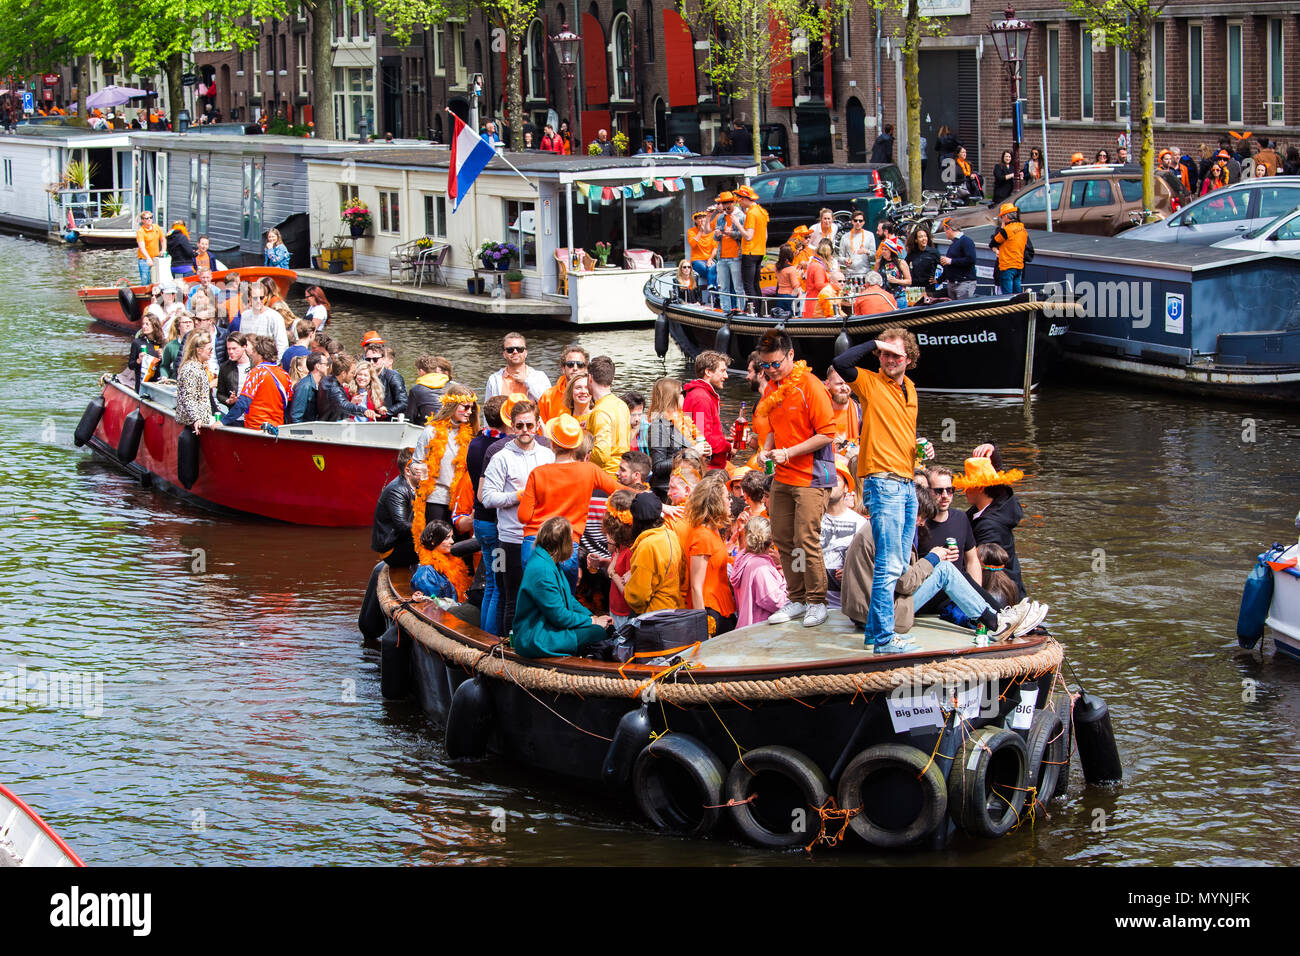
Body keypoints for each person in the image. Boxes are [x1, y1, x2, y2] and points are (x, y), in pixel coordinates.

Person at [831, 328, 927, 654]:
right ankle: (885, 639)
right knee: (887, 564)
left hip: (906, 482)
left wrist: (918, 451)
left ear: (909, 360)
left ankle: (875, 633)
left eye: (895, 354)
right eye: (884, 353)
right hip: (882, 482)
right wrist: (875, 343)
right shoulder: (870, 383)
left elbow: (903, 432)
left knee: (898, 563)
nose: (888, 359)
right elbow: (841, 361)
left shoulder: (911, 389)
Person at [840, 487, 1042, 639]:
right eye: (921, 518)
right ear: (912, 511)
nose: (921, 523)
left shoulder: (880, 524)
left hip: (865, 612)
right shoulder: (890, 533)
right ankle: (997, 623)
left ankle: (997, 616)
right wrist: (933, 558)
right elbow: (905, 583)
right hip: (879, 616)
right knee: (945, 570)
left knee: (946, 570)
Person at [753, 329, 838, 629]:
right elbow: (774, 427)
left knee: (806, 538)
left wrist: (789, 453)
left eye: (776, 364)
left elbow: (828, 433)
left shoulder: (810, 385)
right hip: (783, 476)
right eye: (766, 365)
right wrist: (766, 449)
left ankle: (817, 601)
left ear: (791, 355)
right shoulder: (772, 389)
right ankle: (797, 598)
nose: (771, 370)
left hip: (812, 477)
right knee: (783, 538)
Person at [479, 400, 555, 637]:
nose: (525, 430)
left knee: (537, 595)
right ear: (512, 426)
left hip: (540, 539)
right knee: (507, 595)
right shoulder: (501, 457)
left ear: (537, 426)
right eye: (520, 425)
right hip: (509, 539)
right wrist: (518, 496)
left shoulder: (548, 455)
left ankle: (533, 641)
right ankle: (504, 645)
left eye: (529, 425)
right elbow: (487, 498)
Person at [518, 415, 620, 579]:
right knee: (564, 600)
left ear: (552, 444)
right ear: (577, 446)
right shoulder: (590, 470)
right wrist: (659, 504)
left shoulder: (537, 473)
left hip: (534, 542)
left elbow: (523, 517)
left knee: (535, 599)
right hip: (567, 543)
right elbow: (621, 491)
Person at [512, 517, 612, 658]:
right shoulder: (543, 571)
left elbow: (569, 599)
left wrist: (592, 616)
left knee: (602, 629)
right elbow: (559, 617)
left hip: (547, 629)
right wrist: (593, 622)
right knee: (597, 632)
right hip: (537, 638)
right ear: (563, 544)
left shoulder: (548, 559)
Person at [956, 448, 1028, 600]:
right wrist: (993, 453)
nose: (964, 490)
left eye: (968, 485)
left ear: (981, 487)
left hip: (1000, 594)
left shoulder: (989, 525)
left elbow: (980, 566)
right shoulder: (1001, 504)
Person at [413, 384, 479, 525]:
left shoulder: (472, 433)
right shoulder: (431, 431)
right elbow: (416, 462)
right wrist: (421, 474)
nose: (469, 412)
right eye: (465, 407)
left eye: (472, 408)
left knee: (459, 544)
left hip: (461, 499)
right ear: (452, 406)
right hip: (436, 497)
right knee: (437, 543)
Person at [679, 477, 737, 635]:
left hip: (722, 607)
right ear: (715, 501)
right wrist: (702, 628)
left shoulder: (713, 531)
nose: (730, 501)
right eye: (727, 497)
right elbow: (696, 586)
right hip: (710, 611)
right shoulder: (702, 536)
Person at [645, 377, 708, 499]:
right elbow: (658, 466)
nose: (684, 396)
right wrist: (693, 452)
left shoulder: (684, 421)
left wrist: (705, 452)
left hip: (688, 486)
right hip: (668, 491)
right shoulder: (659, 425)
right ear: (671, 396)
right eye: (681, 393)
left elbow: (693, 451)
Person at [920, 464, 981, 588]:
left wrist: (976, 593)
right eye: (938, 491)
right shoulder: (918, 523)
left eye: (950, 490)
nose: (945, 496)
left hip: (956, 594)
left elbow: (972, 561)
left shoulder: (961, 518)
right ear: (927, 491)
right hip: (926, 594)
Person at [624, 492, 685, 615]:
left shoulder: (647, 546)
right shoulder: (671, 535)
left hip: (654, 615)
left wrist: (629, 584)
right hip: (674, 608)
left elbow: (638, 596)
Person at [821, 462, 867, 607]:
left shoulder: (861, 523)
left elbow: (867, 565)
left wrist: (851, 571)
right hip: (813, 603)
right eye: (826, 479)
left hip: (846, 604)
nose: (830, 483)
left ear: (846, 487)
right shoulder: (810, 519)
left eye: (836, 479)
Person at [222, 336, 292, 429]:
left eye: (254, 352)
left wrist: (224, 421)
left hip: (255, 427)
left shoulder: (256, 373)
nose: (252, 355)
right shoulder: (285, 374)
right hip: (276, 428)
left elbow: (244, 402)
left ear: (260, 355)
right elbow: (288, 400)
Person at [729, 516, 787, 627]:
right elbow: (777, 602)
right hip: (760, 632)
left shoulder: (742, 557)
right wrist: (783, 570)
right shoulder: (761, 568)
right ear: (771, 541)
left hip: (748, 628)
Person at [371, 449, 425, 568]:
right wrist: (428, 530)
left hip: (403, 541)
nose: (426, 469)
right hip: (392, 549)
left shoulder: (417, 487)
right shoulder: (397, 490)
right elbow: (402, 526)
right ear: (408, 471)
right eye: (421, 466)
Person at [682, 350, 731, 469]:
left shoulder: (698, 394)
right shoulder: (701, 398)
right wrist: (728, 446)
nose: (726, 376)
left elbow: (700, 431)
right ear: (708, 372)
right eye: (722, 371)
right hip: (708, 467)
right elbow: (704, 439)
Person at [600, 490, 639, 629]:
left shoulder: (630, 550)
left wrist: (612, 573)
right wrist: (603, 562)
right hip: (615, 608)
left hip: (625, 614)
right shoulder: (621, 544)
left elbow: (629, 594)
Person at [586, 355, 630, 477]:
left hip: (605, 476)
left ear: (590, 378)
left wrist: (580, 454)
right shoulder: (621, 404)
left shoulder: (600, 411)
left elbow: (601, 454)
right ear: (612, 379)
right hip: (622, 472)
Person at [486, 332, 550, 402]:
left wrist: (527, 381)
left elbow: (548, 402)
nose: (515, 352)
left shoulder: (540, 376)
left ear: (526, 353)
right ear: (504, 354)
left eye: (520, 349)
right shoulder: (494, 380)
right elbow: (488, 409)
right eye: (510, 350)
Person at [709, 191, 745, 312]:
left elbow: (744, 235)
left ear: (732, 202)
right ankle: (726, 311)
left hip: (736, 256)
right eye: (722, 204)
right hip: (722, 256)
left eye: (726, 204)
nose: (725, 207)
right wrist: (718, 234)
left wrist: (731, 233)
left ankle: (741, 310)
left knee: (738, 287)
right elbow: (715, 237)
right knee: (723, 287)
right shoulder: (720, 218)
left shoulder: (741, 217)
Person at [411, 521, 463, 602]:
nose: (452, 541)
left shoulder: (451, 560)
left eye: (452, 537)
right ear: (433, 541)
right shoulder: (426, 573)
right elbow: (434, 607)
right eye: (447, 538)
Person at [174, 332, 216, 431]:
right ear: (199, 350)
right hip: (192, 425)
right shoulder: (191, 369)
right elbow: (188, 397)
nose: (212, 352)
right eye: (209, 349)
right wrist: (196, 418)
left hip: (200, 423)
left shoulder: (199, 366)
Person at [736, 185, 769, 309]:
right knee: (755, 284)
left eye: (739, 198)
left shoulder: (751, 213)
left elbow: (748, 236)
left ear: (745, 199)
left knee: (748, 285)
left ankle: (752, 311)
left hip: (750, 252)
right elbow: (765, 235)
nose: (738, 201)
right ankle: (759, 311)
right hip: (759, 251)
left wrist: (737, 224)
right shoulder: (762, 211)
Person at [235, 283, 288, 359]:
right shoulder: (244, 316)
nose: (258, 301)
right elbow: (242, 341)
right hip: (249, 360)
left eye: (261, 298)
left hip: (268, 360)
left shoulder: (275, 317)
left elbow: (282, 344)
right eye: (255, 298)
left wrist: (277, 363)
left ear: (265, 297)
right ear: (249, 298)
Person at [989, 203, 1028, 295]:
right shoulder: (1023, 229)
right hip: (1019, 266)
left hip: (1007, 266)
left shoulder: (1006, 230)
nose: (1001, 219)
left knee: (1007, 296)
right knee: (1017, 295)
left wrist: (1002, 228)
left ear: (1006, 217)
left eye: (1002, 217)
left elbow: (993, 242)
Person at [363, 336, 407, 419]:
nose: (371, 362)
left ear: (383, 359)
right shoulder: (364, 376)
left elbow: (403, 403)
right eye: (368, 359)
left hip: (387, 420)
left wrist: (387, 411)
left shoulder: (393, 377)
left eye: (375, 359)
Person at [824, 365, 861, 456]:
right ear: (827, 384)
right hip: (826, 464)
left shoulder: (861, 413)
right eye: (839, 384)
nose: (844, 388)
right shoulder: (819, 410)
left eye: (847, 383)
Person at [937, 217, 976, 299]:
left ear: (949, 229)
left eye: (945, 231)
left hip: (963, 283)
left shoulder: (966, 241)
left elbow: (971, 260)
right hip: (953, 283)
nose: (945, 234)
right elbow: (949, 265)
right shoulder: (954, 243)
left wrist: (951, 261)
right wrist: (939, 280)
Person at [406, 354, 453, 422]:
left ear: (421, 371)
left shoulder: (416, 390)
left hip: (428, 426)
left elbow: (410, 416)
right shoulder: (452, 387)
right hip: (448, 424)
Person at [127, 312, 167, 386]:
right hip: (142, 382)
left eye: (147, 324)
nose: (144, 326)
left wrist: (163, 357)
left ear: (154, 325)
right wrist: (139, 360)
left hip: (158, 382)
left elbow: (167, 365)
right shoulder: (137, 343)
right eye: (143, 324)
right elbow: (130, 365)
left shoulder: (162, 342)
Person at [687, 211, 717, 305]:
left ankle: (711, 291)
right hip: (697, 259)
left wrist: (710, 259)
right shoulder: (691, 231)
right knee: (708, 270)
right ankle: (714, 295)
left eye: (703, 217)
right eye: (699, 218)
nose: (702, 220)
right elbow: (693, 244)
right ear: (695, 220)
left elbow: (715, 248)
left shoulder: (712, 232)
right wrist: (700, 231)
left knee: (711, 267)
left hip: (709, 259)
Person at [288, 352, 326, 423]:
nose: (328, 367)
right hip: (305, 431)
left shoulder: (320, 384)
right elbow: (295, 416)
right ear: (318, 366)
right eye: (325, 364)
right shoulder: (304, 386)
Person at [837, 210, 876, 281]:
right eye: (855, 220)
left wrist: (866, 251)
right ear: (852, 221)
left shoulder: (869, 235)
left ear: (863, 222)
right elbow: (840, 258)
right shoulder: (845, 237)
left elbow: (874, 256)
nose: (858, 223)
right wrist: (845, 260)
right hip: (850, 274)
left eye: (860, 221)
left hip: (865, 273)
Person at [801, 239, 833, 318]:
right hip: (815, 304)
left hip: (811, 301)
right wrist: (833, 286)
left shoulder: (813, 264)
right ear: (826, 255)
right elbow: (819, 285)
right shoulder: (818, 267)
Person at [158, 312, 194, 380]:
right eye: (185, 322)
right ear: (178, 326)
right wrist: (164, 376)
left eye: (190, 322)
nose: (188, 324)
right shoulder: (171, 346)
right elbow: (164, 366)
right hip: (176, 381)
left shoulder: (199, 342)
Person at [135, 211, 164, 285]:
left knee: (157, 279)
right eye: (147, 218)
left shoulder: (156, 227)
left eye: (151, 217)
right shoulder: (140, 232)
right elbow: (142, 247)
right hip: (144, 260)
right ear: (142, 220)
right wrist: (148, 258)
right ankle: (145, 293)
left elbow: (163, 239)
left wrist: (163, 250)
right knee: (146, 280)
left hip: (155, 258)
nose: (149, 219)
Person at [771, 243, 800, 314]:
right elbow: (795, 285)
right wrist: (799, 295)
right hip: (790, 296)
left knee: (781, 315)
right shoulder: (791, 269)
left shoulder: (776, 267)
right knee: (794, 315)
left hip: (780, 295)